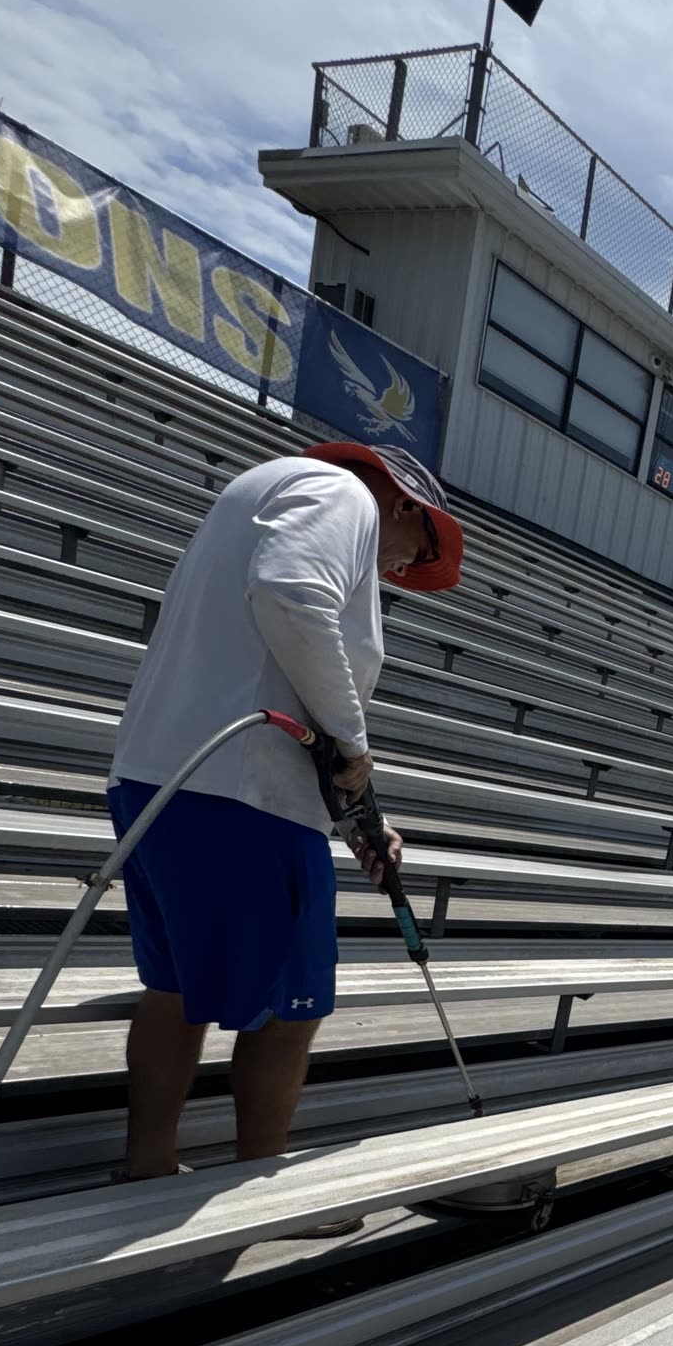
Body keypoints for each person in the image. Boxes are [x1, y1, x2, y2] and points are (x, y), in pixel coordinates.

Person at [106, 440, 464, 1180]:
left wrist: (354, 816)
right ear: (403, 502)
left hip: (161, 779)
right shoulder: (342, 497)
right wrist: (354, 743)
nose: (400, 571)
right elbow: (290, 594)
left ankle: (148, 1164)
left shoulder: (262, 493)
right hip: (242, 799)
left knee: (174, 988)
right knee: (293, 1005)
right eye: (414, 551)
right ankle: (262, 1181)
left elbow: (269, 679)